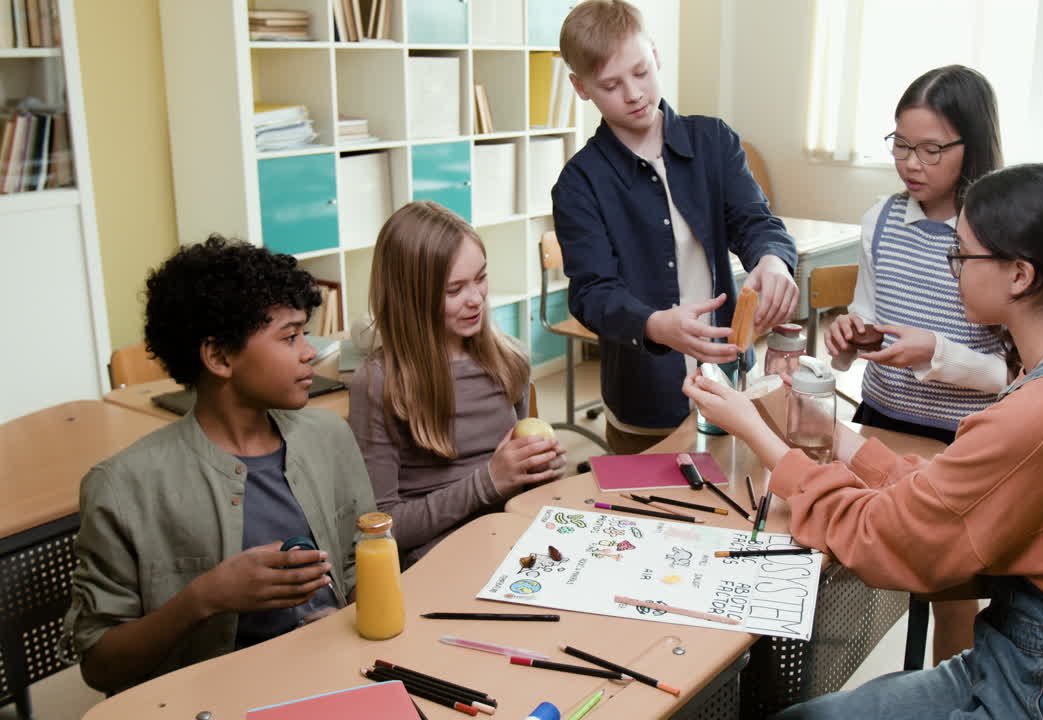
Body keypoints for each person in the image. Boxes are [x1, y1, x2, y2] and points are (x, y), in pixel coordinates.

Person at [687, 163, 1043, 719]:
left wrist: (759, 433)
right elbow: (947, 500)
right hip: (1034, 660)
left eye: (961, 254)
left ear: (1020, 275)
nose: (950, 266)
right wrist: (835, 437)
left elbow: (887, 537)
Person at [65, 236, 376, 693]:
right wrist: (205, 599)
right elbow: (100, 666)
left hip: (331, 677)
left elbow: (359, 568)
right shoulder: (121, 486)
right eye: (290, 337)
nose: (310, 351)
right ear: (219, 357)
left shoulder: (328, 437)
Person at [553, 0, 799, 454]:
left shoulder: (715, 142)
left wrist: (772, 259)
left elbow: (756, 222)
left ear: (656, 53)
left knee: (734, 498)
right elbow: (591, 293)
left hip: (730, 383)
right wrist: (652, 324)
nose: (633, 93)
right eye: (611, 85)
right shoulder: (578, 183)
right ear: (581, 88)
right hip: (644, 401)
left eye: (641, 71)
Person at [823, 64, 1006, 663]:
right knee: (841, 550)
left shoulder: (996, 233)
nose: (912, 164)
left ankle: (952, 694)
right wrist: (850, 337)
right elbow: (868, 319)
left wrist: (937, 354)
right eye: (901, 145)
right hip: (882, 419)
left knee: (954, 593)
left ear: (970, 146)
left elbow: (1018, 375)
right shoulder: (881, 219)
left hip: (964, 439)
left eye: (931, 149)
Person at [349, 201, 567, 567]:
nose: (476, 299)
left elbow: (518, 485)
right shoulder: (379, 383)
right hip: (439, 564)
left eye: (481, 278)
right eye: (454, 290)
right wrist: (489, 482)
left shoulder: (510, 359)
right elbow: (382, 530)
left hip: (511, 544)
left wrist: (537, 470)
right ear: (411, 298)